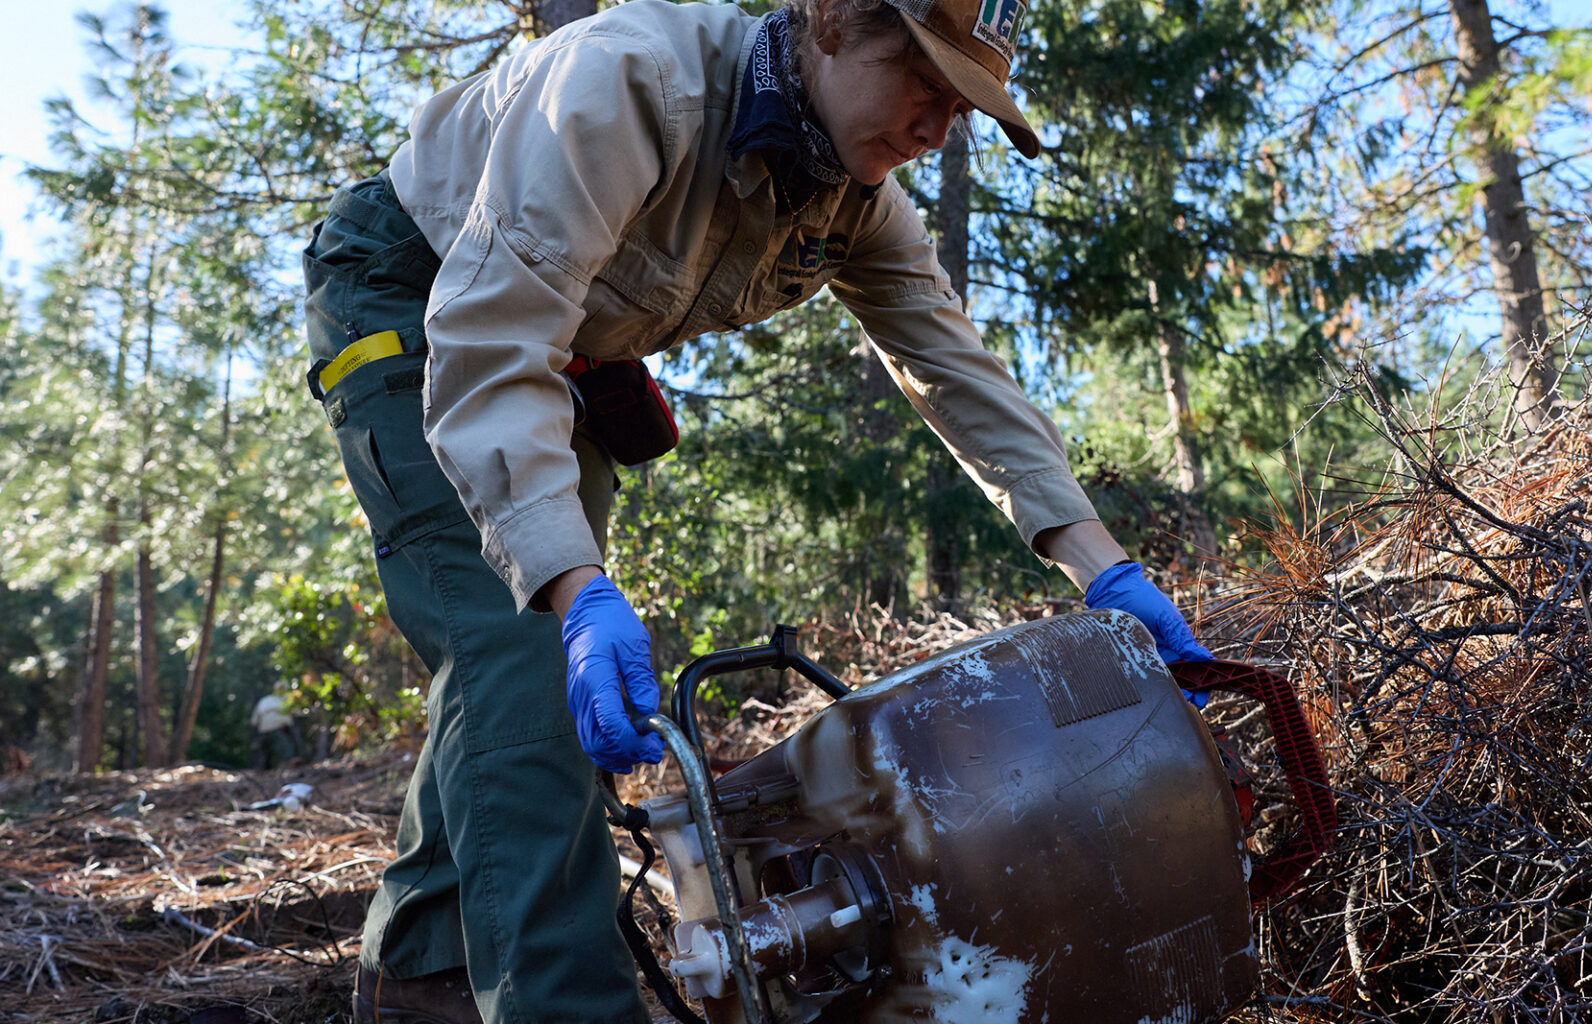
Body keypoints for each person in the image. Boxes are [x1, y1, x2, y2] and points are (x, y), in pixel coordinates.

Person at [301, 0, 1212, 1020]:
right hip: (422, 304)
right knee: (522, 648)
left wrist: (1102, 567)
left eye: (959, 108)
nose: (934, 129)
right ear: (830, 23)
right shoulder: (630, 85)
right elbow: (489, 341)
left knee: (511, 668)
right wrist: (572, 585)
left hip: (563, 352)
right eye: (924, 83)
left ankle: (422, 975)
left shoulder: (857, 201)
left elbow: (959, 377)